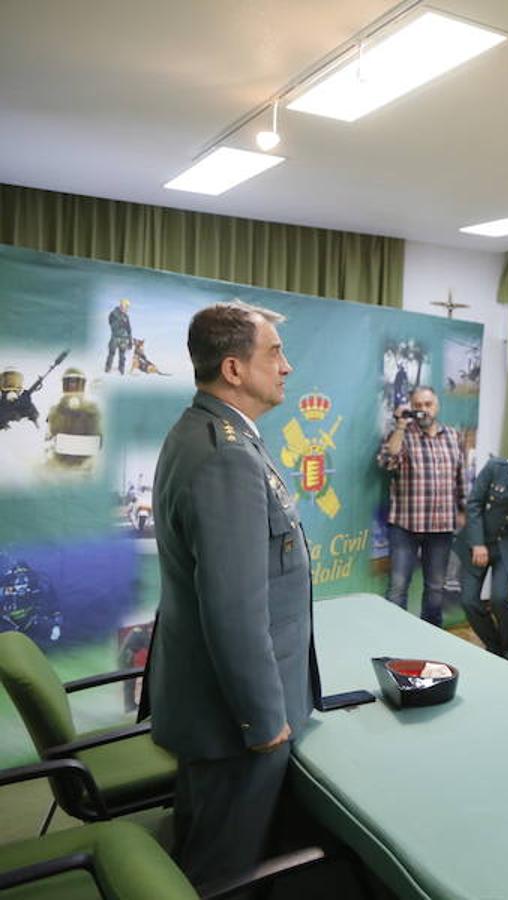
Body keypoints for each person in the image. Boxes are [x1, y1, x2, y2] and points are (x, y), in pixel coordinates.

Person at [147, 301, 314, 886]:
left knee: (202, 849)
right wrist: (265, 723)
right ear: (234, 369)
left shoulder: (207, 431)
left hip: (211, 705)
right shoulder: (225, 456)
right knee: (222, 872)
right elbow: (235, 612)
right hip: (236, 723)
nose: (287, 367)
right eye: (275, 353)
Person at [377, 385, 468, 627]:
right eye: (417, 405)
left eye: (428, 405)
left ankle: (430, 643)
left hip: (441, 528)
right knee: (397, 588)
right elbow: (386, 462)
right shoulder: (401, 435)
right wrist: (400, 425)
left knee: (436, 589)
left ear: (436, 406)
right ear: (411, 408)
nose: (423, 410)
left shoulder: (452, 436)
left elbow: (460, 477)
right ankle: (391, 641)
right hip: (405, 526)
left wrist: (462, 509)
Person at [453, 447, 508, 662]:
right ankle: (495, 647)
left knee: (500, 598)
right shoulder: (496, 468)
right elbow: (474, 503)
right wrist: (478, 544)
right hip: (477, 541)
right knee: (469, 600)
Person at [105, 298, 132, 375]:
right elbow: (112, 325)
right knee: (111, 354)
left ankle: (121, 370)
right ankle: (107, 369)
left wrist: (130, 341)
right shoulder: (114, 313)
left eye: (127, 307)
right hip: (115, 338)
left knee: (122, 356)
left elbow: (129, 329)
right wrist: (120, 323)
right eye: (125, 306)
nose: (126, 308)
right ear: (121, 305)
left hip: (124, 339)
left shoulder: (126, 316)